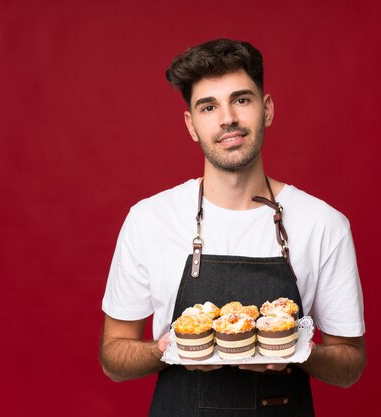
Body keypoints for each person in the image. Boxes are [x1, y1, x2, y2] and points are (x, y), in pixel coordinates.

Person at [100, 38, 366, 416]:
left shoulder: (323, 224)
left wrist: (294, 350)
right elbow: (114, 356)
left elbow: (350, 365)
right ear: (192, 125)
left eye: (241, 100)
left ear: (267, 109)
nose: (227, 118)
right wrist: (170, 348)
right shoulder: (149, 220)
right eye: (209, 107)